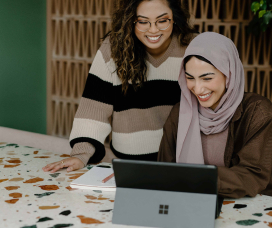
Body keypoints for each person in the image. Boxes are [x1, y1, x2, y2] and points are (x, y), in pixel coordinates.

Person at [43, 0, 196, 173]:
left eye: (162, 20)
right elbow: (94, 108)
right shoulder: (113, 49)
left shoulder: (193, 47)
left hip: (182, 163)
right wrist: (81, 154)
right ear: (130, 20)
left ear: (174, 18)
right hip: (127, 164)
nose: (153, 30)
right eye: (143, 21)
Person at [158, 32, 272, 199]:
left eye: (207, 78)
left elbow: (252, 175)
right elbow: (164, 169)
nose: (198, 88)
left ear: (229, 74)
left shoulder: (257, 112)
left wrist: (195, 178)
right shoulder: (180, 112)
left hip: (253, 205)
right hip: (195, 202)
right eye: (190, 78)